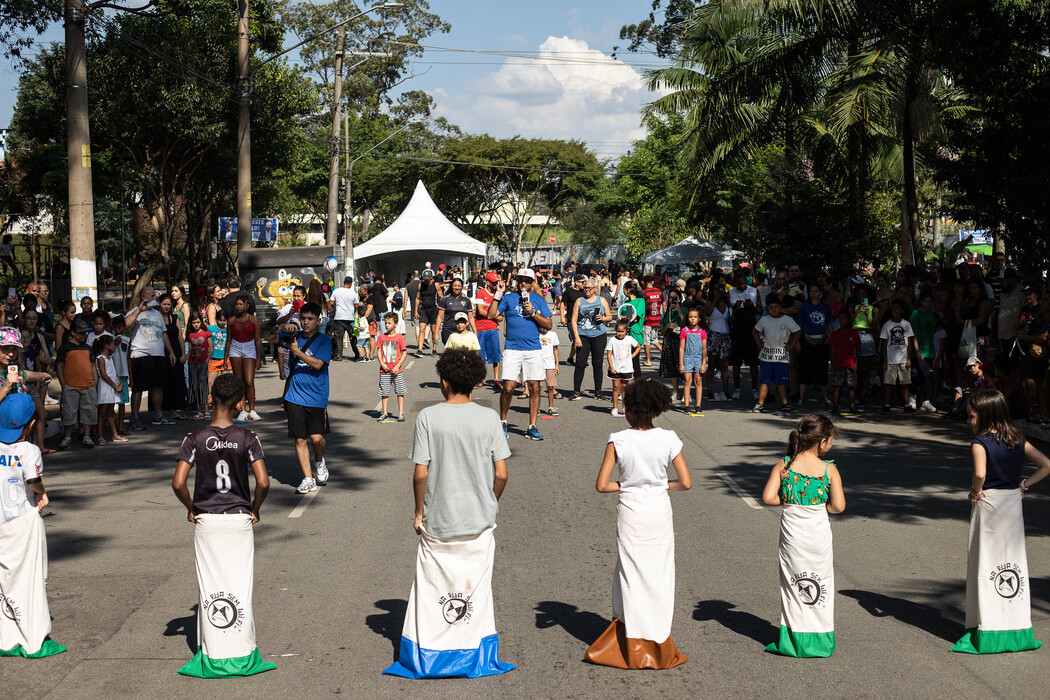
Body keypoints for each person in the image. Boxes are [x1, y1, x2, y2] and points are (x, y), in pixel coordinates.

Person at [384, 349, 515, 679]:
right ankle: (475, 651)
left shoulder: (429, 418)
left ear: (444, 381)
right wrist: (490, 500)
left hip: (439, 520)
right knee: (476, 589)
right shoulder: (489, 418)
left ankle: (430, 651)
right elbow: (501, 474)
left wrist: (418, 511)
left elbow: (421, 473)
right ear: (476, 382)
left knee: (433, 587)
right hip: (479, 520)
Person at [171, 374, 276, 678]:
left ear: (211, 399)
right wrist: (255, 508)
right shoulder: (248, 438)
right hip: (238, 517)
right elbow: (263, 481)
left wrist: (191, 507)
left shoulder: (194, 438)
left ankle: (213, 653)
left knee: (210, 584)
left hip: (208, 518)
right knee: (240, 584)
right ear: (240, 403)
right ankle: (242, 651)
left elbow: (178, 482)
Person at [585, 378, 691, 670]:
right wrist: (660, 485)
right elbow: (685, 482)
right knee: (660, 573)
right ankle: (658, 639)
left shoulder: (618, 440)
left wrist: (627, 485)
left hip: (632, 511)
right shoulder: (669, 438)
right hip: (659, 510)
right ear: (656, 409)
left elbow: (602, 485)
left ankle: (631, 639)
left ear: (630, 410)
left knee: (631, 574)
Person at [951, 389, 1049, 654]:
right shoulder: (1018, 438)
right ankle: (1016, 627)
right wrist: (1025, 484)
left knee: (986, 562)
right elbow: (1046, 464)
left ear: (985, 415)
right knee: (1013, 559)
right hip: (1013, 503)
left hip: (989, 503)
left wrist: (975, 491)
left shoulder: (979, 443)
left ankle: (987, 626)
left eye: (972, 416)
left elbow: (980, 473)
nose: (969, 420)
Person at [761, 414, 845, 658]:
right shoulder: (829, 469)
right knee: (821, 581)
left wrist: (790, 501)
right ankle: (820, 641)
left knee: (792, 583)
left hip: (793, 535)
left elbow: (768, 498)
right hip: (818, 534)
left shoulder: (784, 465)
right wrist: (819, 505)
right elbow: (838, 506)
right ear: (822, 442)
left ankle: (793, 640)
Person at [0, 392, 66, 659]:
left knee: (3, 579)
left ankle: (6, 637)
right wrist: (42, 494)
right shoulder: (29, 450)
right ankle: (34, 641)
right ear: (29, 425)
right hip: (22, 521)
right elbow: (33, 481)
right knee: (31, 579)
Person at [487, 268, 553, 441]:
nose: (523, 283)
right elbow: (491, 314)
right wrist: (498, 294)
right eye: (520, 280)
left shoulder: (538, 299)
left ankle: (532, 426)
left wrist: (533, 313)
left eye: (527, 280)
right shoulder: (509, 298)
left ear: (532, 283)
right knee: (508, 387)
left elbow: (549, 324)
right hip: (512, 348)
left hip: (533, 349)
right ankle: (503, 422)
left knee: (535, 387)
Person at [283, 303, 332, 494]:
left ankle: (319, 461)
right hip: (294, 396)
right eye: (303, 318)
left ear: (318, 321)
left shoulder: (324, 341)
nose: (306, 322)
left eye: (310, 319)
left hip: (317, 396)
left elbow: (318, 364)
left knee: (317, 438)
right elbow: (272, 334)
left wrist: (297, 352)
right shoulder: (293, 337)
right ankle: (308, 478)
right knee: (300, 439)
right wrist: (285, 327)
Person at [125, 287, 176, 430]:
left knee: (158, 386)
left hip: (158, 354)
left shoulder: (157, 314)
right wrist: (139, 310)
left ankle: (158, 415)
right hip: (140, 354)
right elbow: (126, 325)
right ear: (143, 296)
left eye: (154, 295)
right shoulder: (135, 311)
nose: (154, 297)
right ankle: (135, 417)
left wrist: (170, 352)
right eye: (151, 294)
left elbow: (164, 333)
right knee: (138, 388)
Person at [753, 295, 800, 413]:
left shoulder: (787, 319)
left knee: (781, 381)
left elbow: (797, 332)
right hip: (767, 355)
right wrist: (759, 344)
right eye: (771, 307)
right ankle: (760, 404)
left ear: (780, 307)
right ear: (768, 309)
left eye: (776, 307)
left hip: (781, 356)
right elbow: (755, 331)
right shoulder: (764, 319)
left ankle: (785, 404)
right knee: (764, 381)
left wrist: (791, 345)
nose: (774, 309)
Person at [56, 319, 98, 448]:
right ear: (73, 333)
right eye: (81, 333)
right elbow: (59, 366)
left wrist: (94, 381)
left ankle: (87, 436)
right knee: (69, 412)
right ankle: (67, 436)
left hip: (88, 385)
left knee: (88, 411)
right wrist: (63, 384)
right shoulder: (65, 348)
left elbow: (92, 365)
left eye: (85, 333)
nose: (84, 335)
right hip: (70, 386)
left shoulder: (88, 348)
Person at [570, 277, 612, 401]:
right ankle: (576, 391)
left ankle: (598, 392)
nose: (586, 290)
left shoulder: (601, 300)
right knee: (580, 363)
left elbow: (609, 316)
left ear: (594, 289)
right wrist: (576, 338)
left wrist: (603, 318)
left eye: (589, 288)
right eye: (585, 288)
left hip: (599, 335)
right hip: (583, 336)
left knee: (597, 363)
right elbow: (573, 320)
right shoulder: (579, 301)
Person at [225, 296, 261, 422]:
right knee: (239, 380)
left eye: (241, 304)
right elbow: (228, 340)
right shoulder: (231, 320)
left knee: (249, 380)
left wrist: (259, 358)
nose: (238, 307)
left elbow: (257, 340)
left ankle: (252, 409)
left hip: (250, 347)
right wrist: (225, 358)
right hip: (235, 347)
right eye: (237, 304)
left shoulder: (253, 320)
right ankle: (242, 410)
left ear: (247, 305)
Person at [879, 300, 918, 412]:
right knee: (888, 383)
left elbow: (909, 342)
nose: (895, 311)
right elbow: (884, 343)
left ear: (902, 311)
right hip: (890, 359)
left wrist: (909, 358)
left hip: (903, 359)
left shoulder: (906, 324)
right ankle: (887, 404)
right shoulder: (887, 325)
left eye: (898, 308)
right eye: (893, 309)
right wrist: (885, 360)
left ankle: (906, 404)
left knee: (904, 383)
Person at [798, 286, 831, 406]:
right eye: (811, 291)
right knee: (804, 370)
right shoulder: (804, 307)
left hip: (822, 342)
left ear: (820, 293)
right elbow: (801, 325)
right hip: (807, 341)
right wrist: (803, 339)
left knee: (822, 370)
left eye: (816, 291)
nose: (813, 293)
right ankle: (801, 398)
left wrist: (826, 338)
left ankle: (825, 397)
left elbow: (828, 325)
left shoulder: (825, 307)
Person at [159, 294, 188, 420]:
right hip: (162, 352)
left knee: (177, 380)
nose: (166, 307)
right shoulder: (157, 318)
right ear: (160, 304)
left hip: (176, 351)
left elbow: (180, 336)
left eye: (168, 304)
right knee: (165, 381)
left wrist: (183, 353)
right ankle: (163, 410)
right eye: (164, 304)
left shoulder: (174, 317)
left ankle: (176, 409)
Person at [376, 312, 407, 424]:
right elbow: (379, 351)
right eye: (385, 323)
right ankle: (384, 412)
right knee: (384, 392)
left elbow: (404, 353)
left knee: (400, 391)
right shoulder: (381, 337)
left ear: (395, 324)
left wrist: (398, 365)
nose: (386, 325)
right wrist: (382, 364)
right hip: (384, 370)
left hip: (397, 371)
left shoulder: (399, 338)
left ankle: (401, 413)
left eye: (389, 323)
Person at [93, 334, 126, 444]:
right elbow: (104, 375)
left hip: (111, 387)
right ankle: (100, 436)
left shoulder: (109, 358)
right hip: (105, 387)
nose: (114, 346)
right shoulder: (101, 358)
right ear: (106, 346)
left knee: (111, 412)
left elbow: (112, 373)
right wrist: (114, 385)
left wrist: (118, 383)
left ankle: (114, 435)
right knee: (102, 413)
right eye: (112, 344)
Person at [828, 308, 860, 415]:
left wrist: (855, 363)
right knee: (836, 386)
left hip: (851, 364)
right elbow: (832, 350)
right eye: (840, 319)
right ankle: (835, 407)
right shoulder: (834, 334)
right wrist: (832, 363)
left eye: (844, 318)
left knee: (852, 386)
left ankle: (852, 406)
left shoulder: (854, 333)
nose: (842, 321)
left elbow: (857, 349)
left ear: (848, 319)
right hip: (838, 363)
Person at [474, 271, 503, 386]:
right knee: (481, 355)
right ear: (487, 282)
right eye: (493, 282)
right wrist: (494, 316)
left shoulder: (498, 295)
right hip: (480, 328)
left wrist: (497, 316)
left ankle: (496, 379)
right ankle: (480, 379)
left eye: (496, 282)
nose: (495, 284)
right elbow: (480, 311)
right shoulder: (480, 292)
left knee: (496, 355)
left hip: (493, 328)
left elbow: (501, 315)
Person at [607, 319, 640, 418]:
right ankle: (615, 408)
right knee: (616, 387)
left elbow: (638, 347)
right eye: (618, 331)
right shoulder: (612, 340)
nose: (620, 333)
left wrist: (632, 356)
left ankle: (625, 408)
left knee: (625, 389)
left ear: (626, 331)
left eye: (622, 331)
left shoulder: (629, 339)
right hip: (615, 368)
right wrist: (611, 367)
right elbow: (609, 354)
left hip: (627, 368)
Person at [678, 307, 707, 416]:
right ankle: (686, 405)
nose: (692, 319)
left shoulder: (702, 332)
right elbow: (681, 348)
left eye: (695, 317)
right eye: (690, 317)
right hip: (687, 358)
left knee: (698, 380)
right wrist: (681, 363)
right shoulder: (684, 331)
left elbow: (704, 348)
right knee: (687, 380)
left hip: (698, 358)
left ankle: (698, 405)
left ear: (699, 319)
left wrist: (704, 363)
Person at [706, 293, 733, 400]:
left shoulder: (728, 308)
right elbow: (708, 312)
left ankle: (726, 391)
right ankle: (710, 391)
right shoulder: (712, 306)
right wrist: (715, 298)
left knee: (724, 366)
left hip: (725, 337)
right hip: (714, 336)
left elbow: (731, 320)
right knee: (711, 365)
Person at [186, 313, 212, 419]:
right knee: (195, 386)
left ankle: (206, 409)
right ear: (191, 323)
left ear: (201, 322)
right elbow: (189, 349)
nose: (196, 324)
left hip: (203, 362)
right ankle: (198, 410)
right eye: (193, 323)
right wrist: (186, 358)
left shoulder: (206, 333)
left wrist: (207, 359)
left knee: (203, 385)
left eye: (197, 322)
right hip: (192, 363)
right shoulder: (190, 335)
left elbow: (210, 348)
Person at [436, 277, 474, 347]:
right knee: (451, 353)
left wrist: (475, 332)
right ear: (451, 286)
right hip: (448, 331)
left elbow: (471, 318)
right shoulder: (445, 299)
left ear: (462, 287)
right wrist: (436, 333)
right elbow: (440, 317)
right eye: (455, 285)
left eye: (459, 286)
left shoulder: (467, 300)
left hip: (463, 332)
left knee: (463, 352)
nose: (457, 288)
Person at [328, 276, 359, 362]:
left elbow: (331, 303)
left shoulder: (336, 291)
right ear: (351, 284)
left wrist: (333, 310)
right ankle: (357, 355)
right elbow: (356, 305)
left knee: (339, 338)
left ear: (344, 282)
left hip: (338, 317)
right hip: (351, 318)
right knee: (353, 337)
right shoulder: (353, 293)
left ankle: (339, 356)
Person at [206, 310, 229, 412]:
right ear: (216, 320)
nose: (222, 322)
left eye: (224, 320)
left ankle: (226, 401)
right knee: (211, 382)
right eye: (220, 320)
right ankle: (211, 401)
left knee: (226, 382)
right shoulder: (210, 329)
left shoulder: (229, 330)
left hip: (226, 359)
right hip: (213, 359)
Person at [415, 269, 440, 355]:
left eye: (427, 279)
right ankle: (420, 349)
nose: (426, 280)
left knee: (433, 331)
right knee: (422, 329)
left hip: (433, 310)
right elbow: (417, 298)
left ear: (431, 278)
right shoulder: (420, 285)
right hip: (424, 310)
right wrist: (415, 311)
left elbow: (441, 297)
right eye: (424, 278)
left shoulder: (436, 285)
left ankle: (434, 349)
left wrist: (441, 311)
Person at [642, 277, 663, 367]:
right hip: (657, 319)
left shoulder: (644, 292)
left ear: (644, 282)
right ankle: (667, 355)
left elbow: (644, 306)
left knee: (646, 341)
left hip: (648, 320)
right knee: (654, 340)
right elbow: (662, 303)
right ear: (653, 282)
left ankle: (648, 360)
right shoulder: (659, 292)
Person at [539, 324, 560, 416]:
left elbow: (556, 349)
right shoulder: (535, 334)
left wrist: (557, 364)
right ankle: (536, 408)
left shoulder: (553, 334)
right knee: (537, 387)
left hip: (550, 364)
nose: (543, 328)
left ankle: (551, 407)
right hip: (538, 364)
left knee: (550, 387)